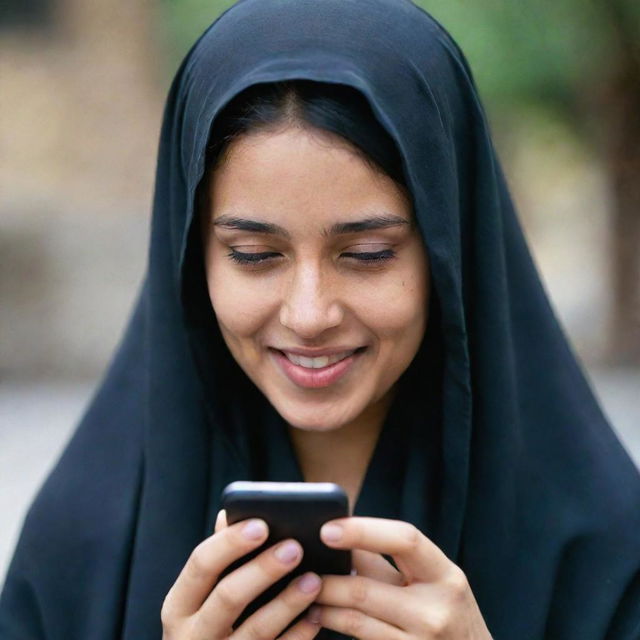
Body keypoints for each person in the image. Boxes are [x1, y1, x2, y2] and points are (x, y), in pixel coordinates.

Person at [1, 0, 639, 638]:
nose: (309, 315)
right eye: (254, 256)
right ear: (193, 256)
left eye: (367, 255)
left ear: (452, 249)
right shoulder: (81, 546)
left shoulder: (606, 552)